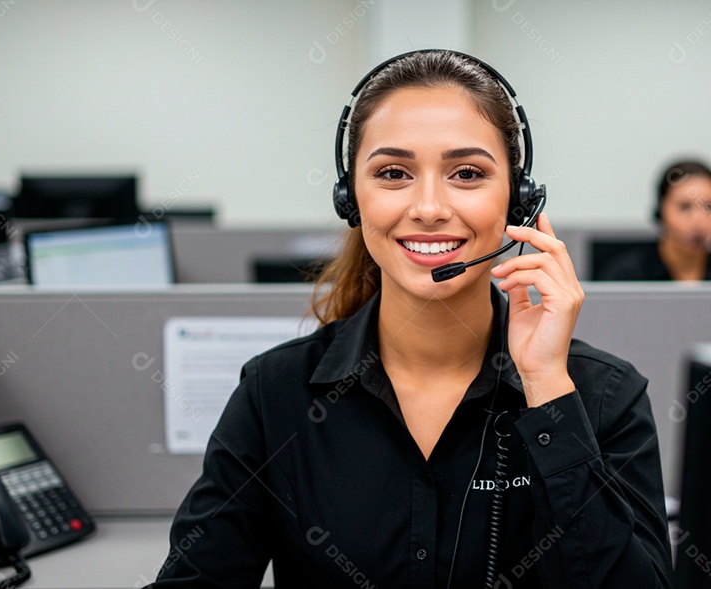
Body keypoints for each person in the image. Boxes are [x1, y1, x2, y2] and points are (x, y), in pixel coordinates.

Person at [149, 50, 671, 588]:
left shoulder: (603, 396)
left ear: (518, 200)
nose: (428, 207)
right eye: (393, 173)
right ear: (351, 198)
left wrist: (547, 394)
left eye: (466, 173)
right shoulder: (275, 394)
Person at [599, 160, 711, 281]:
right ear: (660, 212)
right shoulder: (625, 277)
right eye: (684, 207)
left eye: (710, 207)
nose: (698, 221)